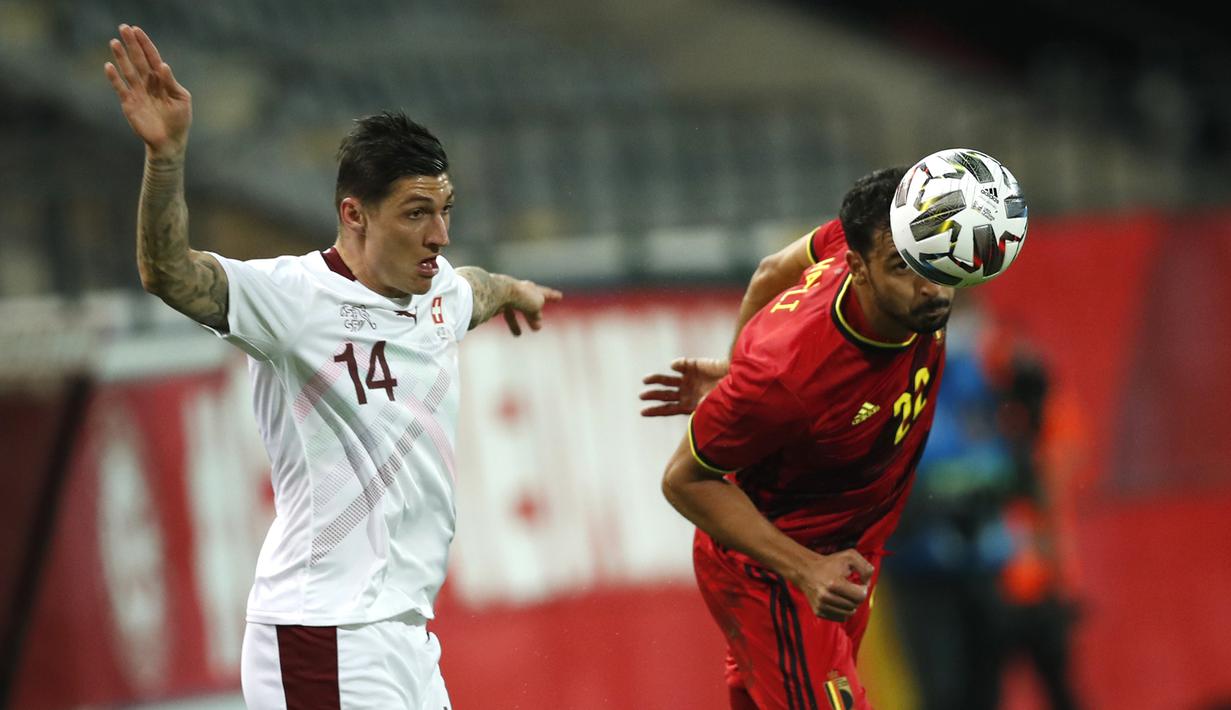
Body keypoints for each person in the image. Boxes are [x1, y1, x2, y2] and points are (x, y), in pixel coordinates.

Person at [104, 25, 561, 709]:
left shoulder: (438, 292)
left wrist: (517, 290)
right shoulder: (293, 300)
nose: (438, 234)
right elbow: (168, 273)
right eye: (415, 214)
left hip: (405, 635)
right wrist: (166, 158)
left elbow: (477, 287)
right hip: (324, 632)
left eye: (444, 211)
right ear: (354, 214)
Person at [641, 166, 953, 709]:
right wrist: (806, 570)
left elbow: (769, 271)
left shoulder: (886, 255)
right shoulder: (788, 379)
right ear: (856, 267)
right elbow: (683, 480)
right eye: (903, 267)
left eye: (933, 255)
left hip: (848, 550)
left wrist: (732, 365)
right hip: (779, 569)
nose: (930, 283)